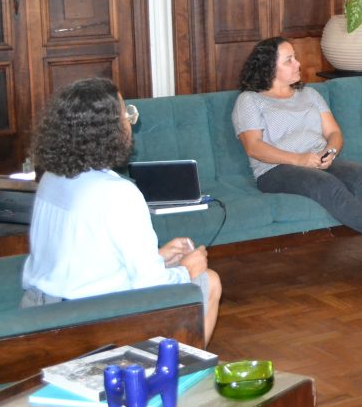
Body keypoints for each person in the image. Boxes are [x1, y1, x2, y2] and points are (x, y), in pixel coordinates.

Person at [21, 78, 222, 344]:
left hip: (39, 306)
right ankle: (182, 366)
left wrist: (158, 258)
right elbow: (150, 285)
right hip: (87, 318)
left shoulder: (52, 177)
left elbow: (82, 258)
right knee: (209, 280)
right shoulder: (119, 192)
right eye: (125, 114)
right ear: (107, 130)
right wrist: (186, 269)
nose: (130, 122)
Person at [233, 37, 362, 274]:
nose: (298, 63)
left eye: (295, 58)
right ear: (268, 67)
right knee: (326, 183)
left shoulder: (309, 94)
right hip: (275, 169)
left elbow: (334, 133)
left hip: (318, 160)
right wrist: (300, 159)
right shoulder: (249, 100)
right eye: (289, 60)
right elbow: (254, 147)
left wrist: (329, 153)